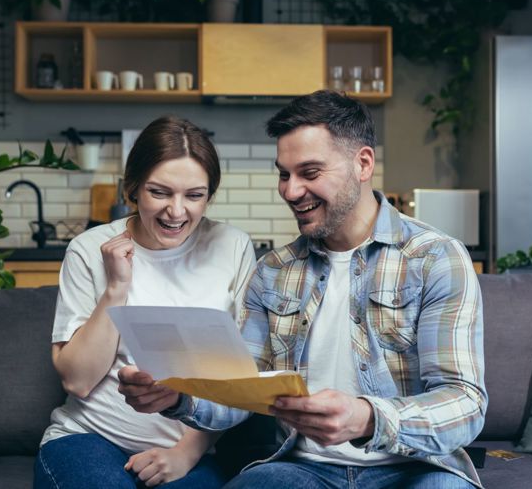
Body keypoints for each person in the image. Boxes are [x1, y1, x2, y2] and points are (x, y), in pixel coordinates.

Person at [118, 91, 487, 488]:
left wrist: (367, 418)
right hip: (304, 468)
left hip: (415, 467)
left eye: (309, 173)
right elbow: (240, 392)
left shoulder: (434, 258)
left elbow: (464, 403)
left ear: (363, 164)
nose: (291, 191)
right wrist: (178, 398)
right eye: (284, 174)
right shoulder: (273, 271)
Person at [34, 116, 256, 489]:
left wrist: (185, 454)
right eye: (160, 192)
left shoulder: (232, 247)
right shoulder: (88, 248)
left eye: (194, 195)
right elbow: (78, 380)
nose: (176, 211)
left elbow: (240, 380)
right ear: (133, 189)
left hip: (186, 452)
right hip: (89, 438)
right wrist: (116, 287)